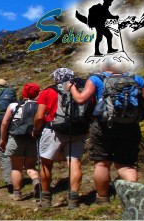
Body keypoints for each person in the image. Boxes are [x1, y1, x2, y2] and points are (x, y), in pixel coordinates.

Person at [67, 61, 144, 205]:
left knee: (102, 164)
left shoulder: (96, 79)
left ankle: (103, 198)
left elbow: (81, 100)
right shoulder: (136, 79)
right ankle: (133, 195)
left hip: (103, 126)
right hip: (130, 126)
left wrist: (72, 89)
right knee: (126, 165)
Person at [32, 68, 88, 209]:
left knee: (46, 164)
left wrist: (36, 130)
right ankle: (73, 199)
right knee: (74, 163)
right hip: (77, 130)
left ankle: (45, 199)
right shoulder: (82, 89)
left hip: (54, 131)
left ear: (56, 78)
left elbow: (39, 116)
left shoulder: (48, 91)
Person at [0, 83, 41, 201]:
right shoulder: (40, 106)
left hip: (16, 138)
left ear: (24, 93)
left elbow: (4, 123)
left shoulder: (14, 105)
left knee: (16, 167)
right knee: (31, 166)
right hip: (33, 138)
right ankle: (36, 181)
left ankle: (17, 193)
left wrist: (3, 139)